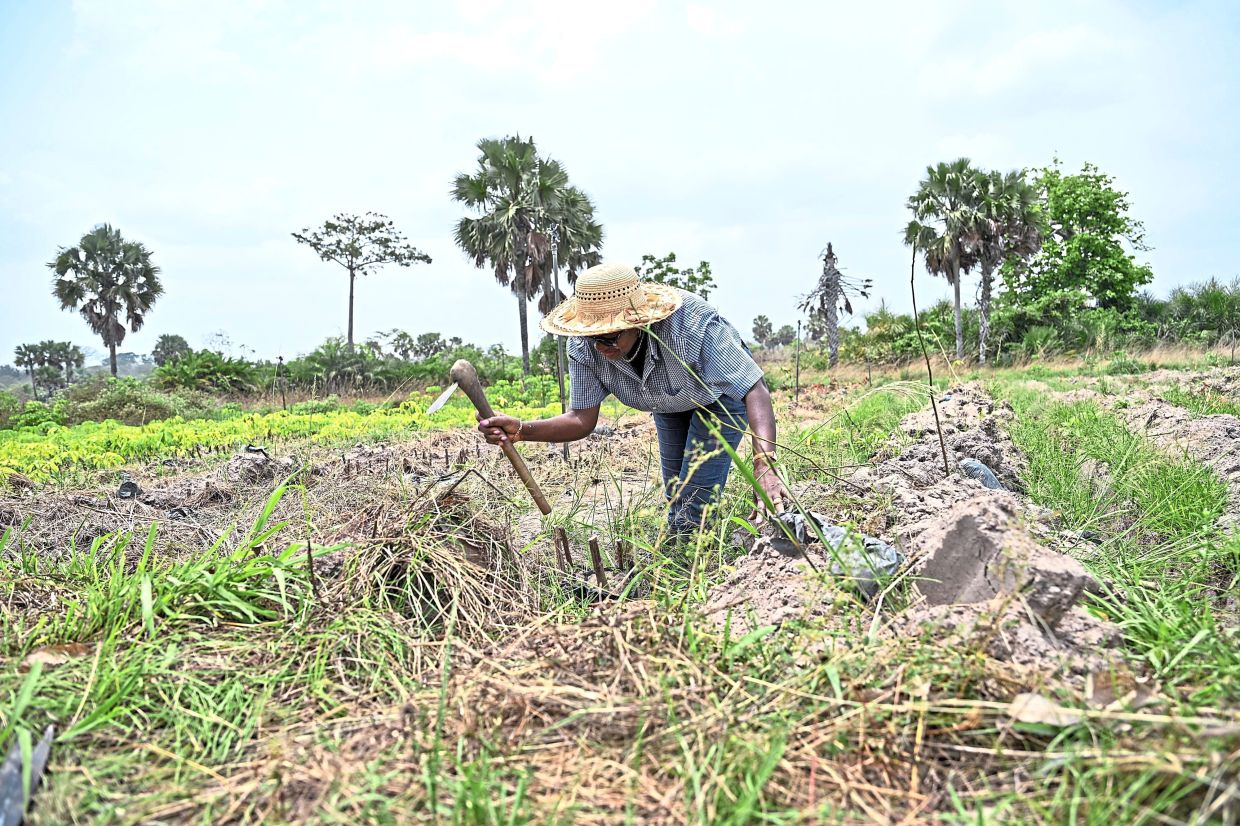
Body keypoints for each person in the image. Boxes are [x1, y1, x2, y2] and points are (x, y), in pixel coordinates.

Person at [478, 262, 790, 535]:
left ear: (638, 324)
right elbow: (580, 419)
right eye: (593, 337)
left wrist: (764, 464)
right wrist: (521, 430)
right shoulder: (585, 346)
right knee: (675, 491)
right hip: (669, 403)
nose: (600, 346)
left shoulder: (692, 327)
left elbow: (754, 389)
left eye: (611, 337)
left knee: (693, 500)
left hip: (718, 400)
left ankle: (688, 564)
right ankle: (689, 544)